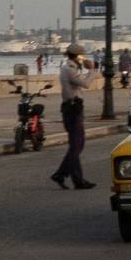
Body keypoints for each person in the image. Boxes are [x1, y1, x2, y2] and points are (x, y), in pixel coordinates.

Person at [49, 44, 97, 190]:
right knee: (77, 145)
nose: (83, 59)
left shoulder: (69, 67)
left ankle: (78, 180)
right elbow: (86, 84)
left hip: (72, 108)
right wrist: (93, 70)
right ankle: (61, 173)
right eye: (81, 56)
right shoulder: (69, 69)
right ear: (76, 56)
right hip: (73, 110)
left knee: (75, 145)